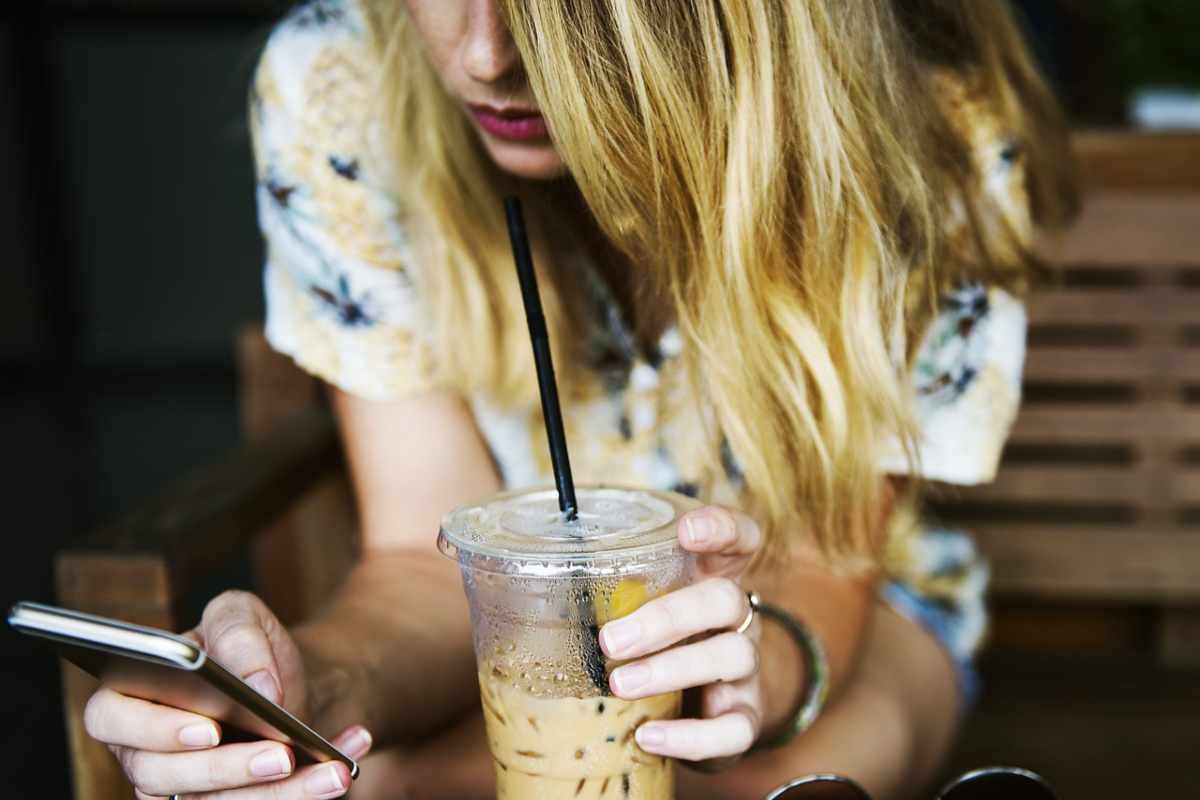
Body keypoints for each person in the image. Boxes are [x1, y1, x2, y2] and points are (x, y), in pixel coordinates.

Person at [81, 1, 1077, 798]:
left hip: (840, 607)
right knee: (360, 769)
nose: (482, 54)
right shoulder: (341, 86)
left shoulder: (929, 131)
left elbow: (829, 561)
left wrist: (753, 671)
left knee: (770, 782)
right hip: (522, 637)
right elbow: (419, 570)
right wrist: (306, 690)